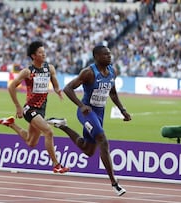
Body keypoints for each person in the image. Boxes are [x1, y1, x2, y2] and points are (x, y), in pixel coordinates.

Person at [47, 45, 131, 196]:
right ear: (97, 57)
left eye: (110, 54)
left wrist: (123, 110)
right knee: (102, 140)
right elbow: (68, 88)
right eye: (106, 55)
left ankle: (63, 126)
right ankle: (114, 183)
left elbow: (112, 93)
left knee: (88, 150)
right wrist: (81, 105)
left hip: (99, 113)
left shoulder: (113, 71)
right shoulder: (89, 72)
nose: (109, 57)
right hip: (86, 112)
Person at [0, 41, 70, 174]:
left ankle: (11, 124)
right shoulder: (27, 72)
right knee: (49, 132)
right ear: (33, 56)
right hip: (29, 109)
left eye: (44, 52)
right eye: (40, 53)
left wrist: (58, 90)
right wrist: (18, 107)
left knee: (31, 142)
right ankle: (56, 164)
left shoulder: (50, 68)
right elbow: (11, 87)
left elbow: (55, 82)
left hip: (41, 109)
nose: (44, 54)